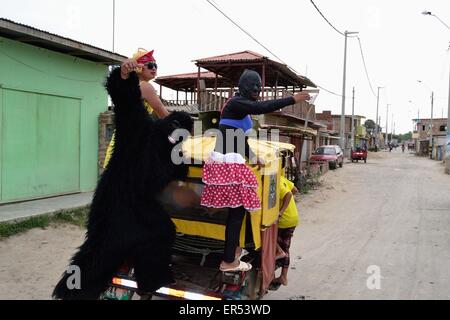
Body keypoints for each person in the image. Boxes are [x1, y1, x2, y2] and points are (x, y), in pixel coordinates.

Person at [200, 69, 310, 272]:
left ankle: (231, 252)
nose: (258, 90)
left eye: (259, 87)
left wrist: (253, 158)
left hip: (232, 162)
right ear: (243, 87)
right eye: (254, 86)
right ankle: (228, 261)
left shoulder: (240, 108)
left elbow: (238, 137)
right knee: (236, 215)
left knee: (236, 214)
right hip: (227, 165)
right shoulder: (236, 103)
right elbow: (262, 107)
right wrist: (292, 99)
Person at [103, 49, 169, 168]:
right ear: (139, 67)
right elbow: (164, 115)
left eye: (155, 66)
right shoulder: (145, 87)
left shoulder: (128, 86)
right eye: (149, 65)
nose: (154, 68)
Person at [271, 175, 299, 287]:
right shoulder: (281, 178)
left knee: (269, 240)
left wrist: (281, 210)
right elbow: (294, 190)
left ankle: (279, 253)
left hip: (284, 219)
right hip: (293, 217)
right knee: (286, 247)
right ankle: (283, 277)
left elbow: (288, 194)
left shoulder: (275, 181)